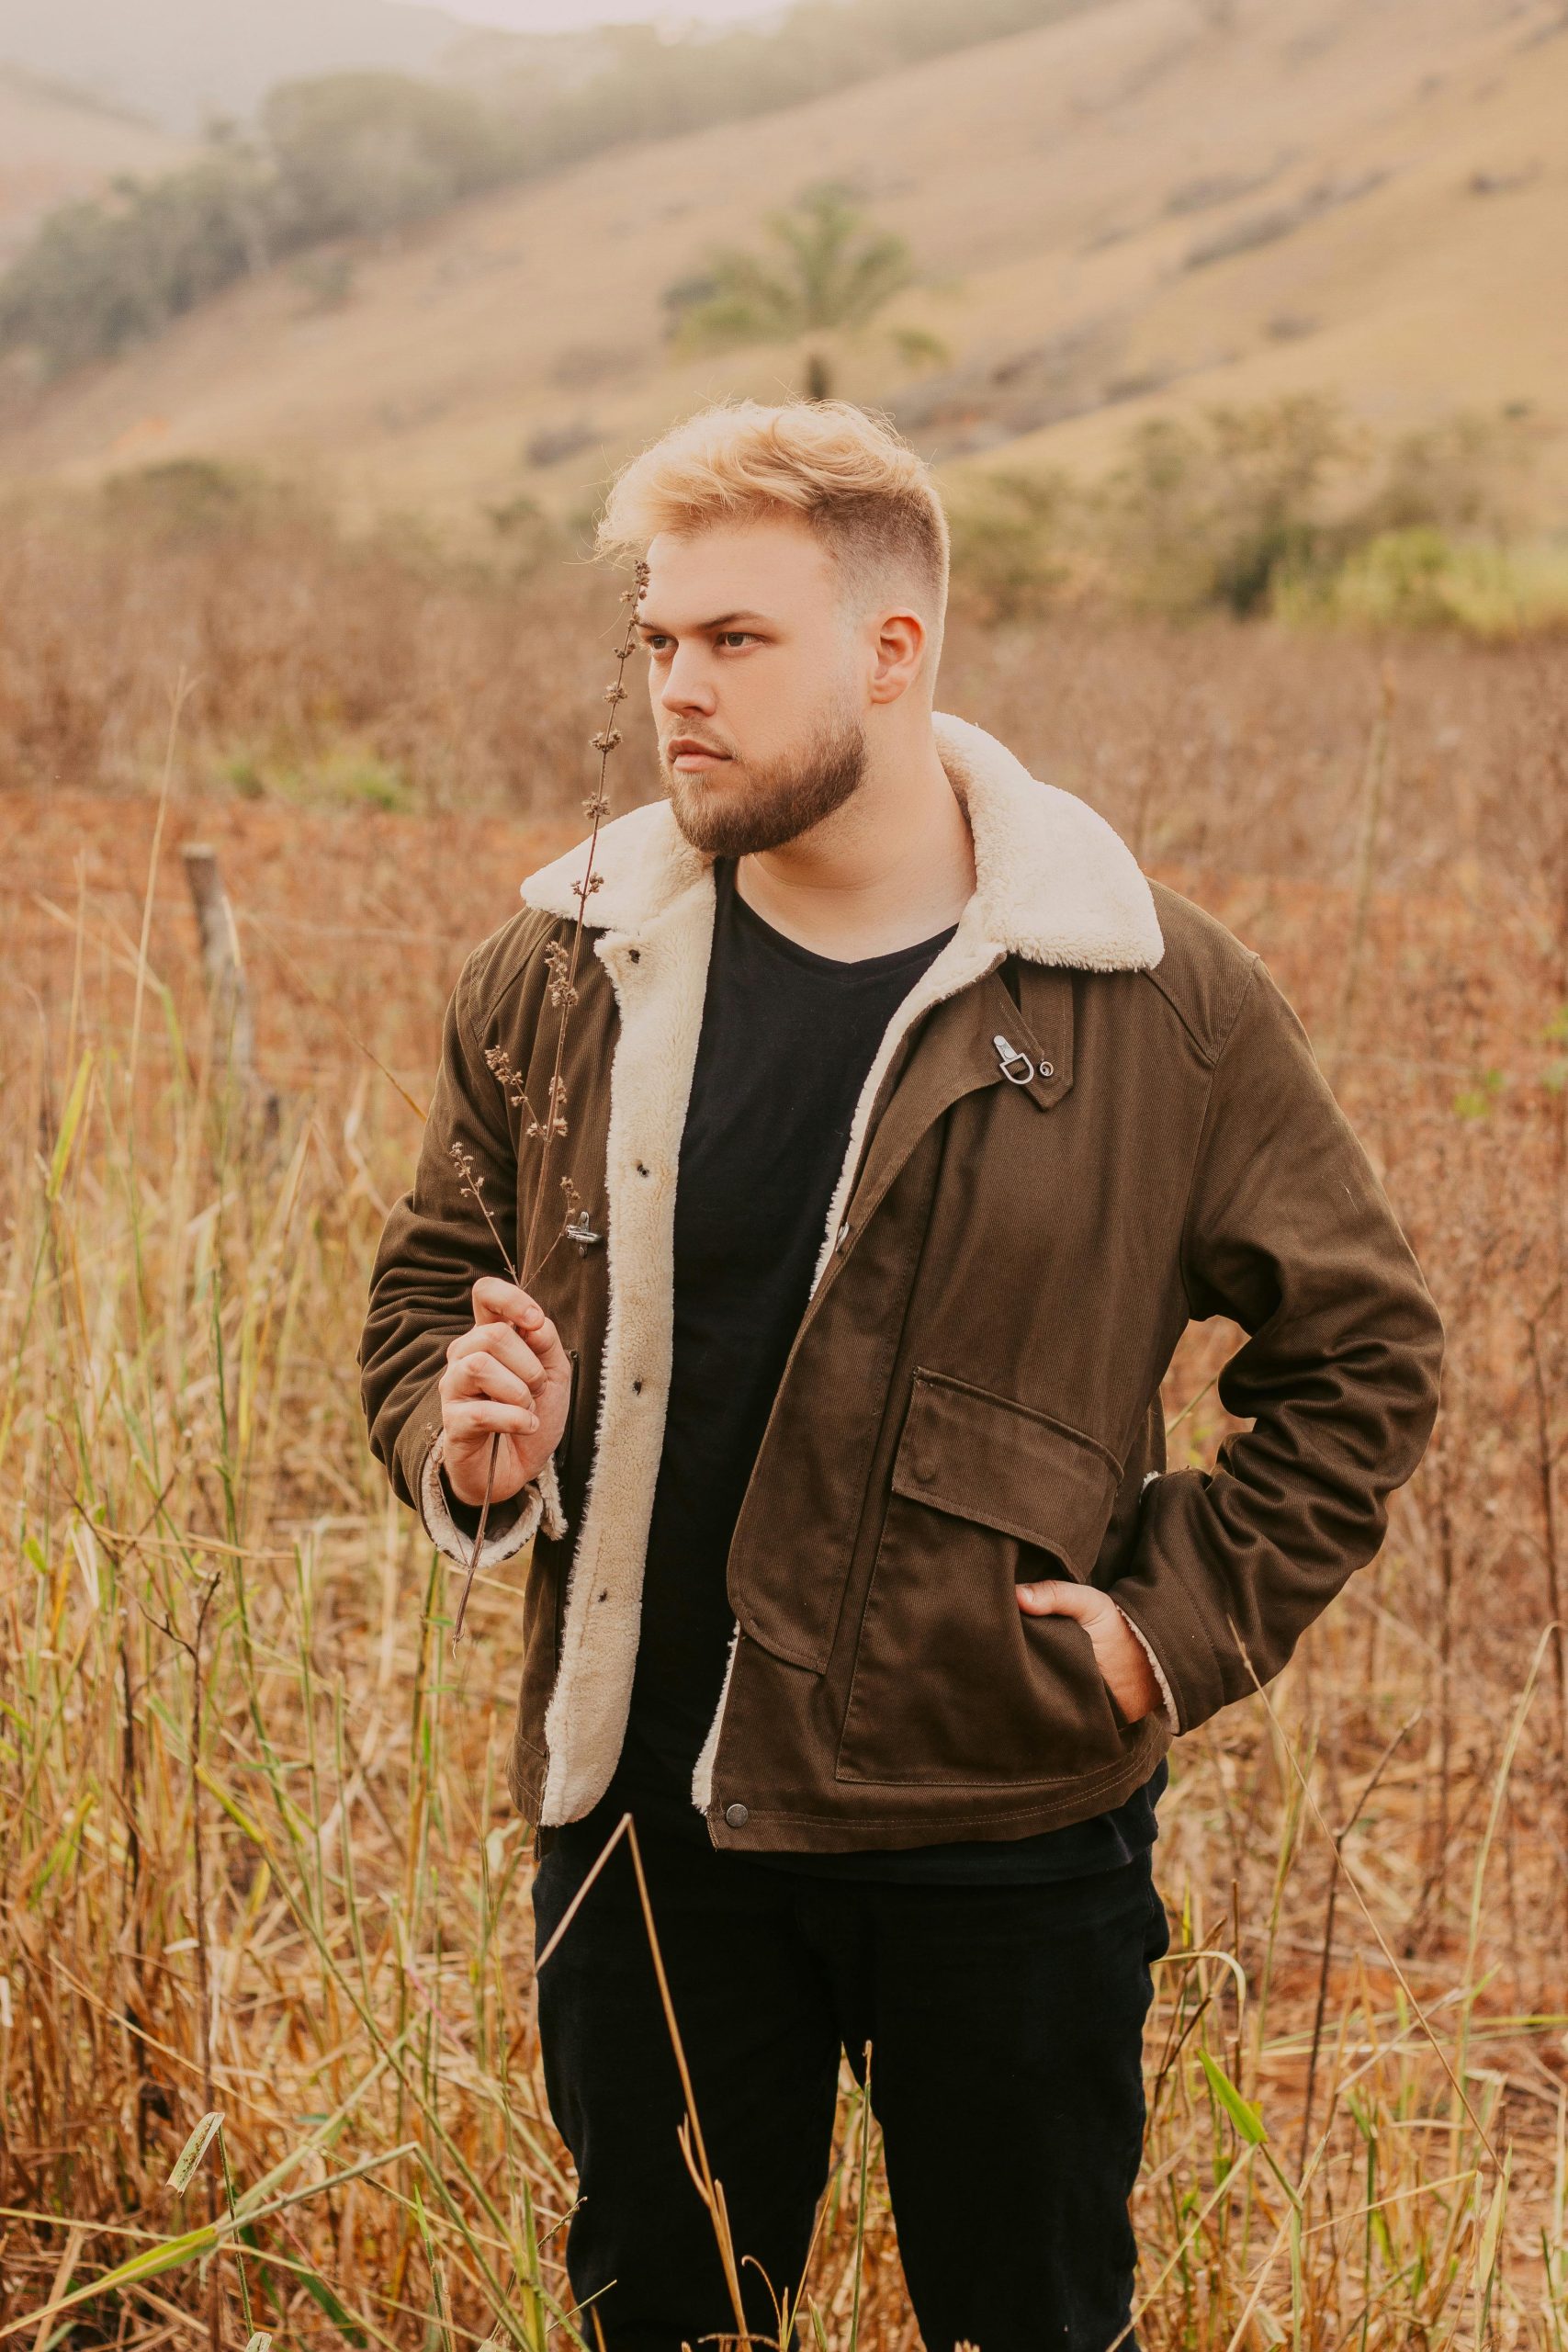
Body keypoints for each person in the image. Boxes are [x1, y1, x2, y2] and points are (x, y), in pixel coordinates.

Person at [359, 398, 1444, 2351]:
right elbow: (433, 1280)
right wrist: (467, 1429)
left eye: (733, 641)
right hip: (641, 1825)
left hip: (1001, 1823)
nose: (674, 686)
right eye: (658, 639)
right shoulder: (562, 961)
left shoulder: (1145, 992)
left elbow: (1359, 1360)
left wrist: (1151, 1637)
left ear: (894, 646)